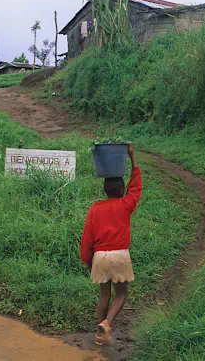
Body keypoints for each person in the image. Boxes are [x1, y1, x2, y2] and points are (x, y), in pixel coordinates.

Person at [80, 143, 143, 346]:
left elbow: (87, 238)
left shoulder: (95, 209)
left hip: (100, 257)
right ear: (122, 190)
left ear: (104, 190)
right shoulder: (125, 205)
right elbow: (137, 187)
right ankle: (107, 322)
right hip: (120, 256)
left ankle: (99, 336)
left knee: (104, 295)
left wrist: (87, 260)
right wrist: (133, 158)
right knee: (122, 293)